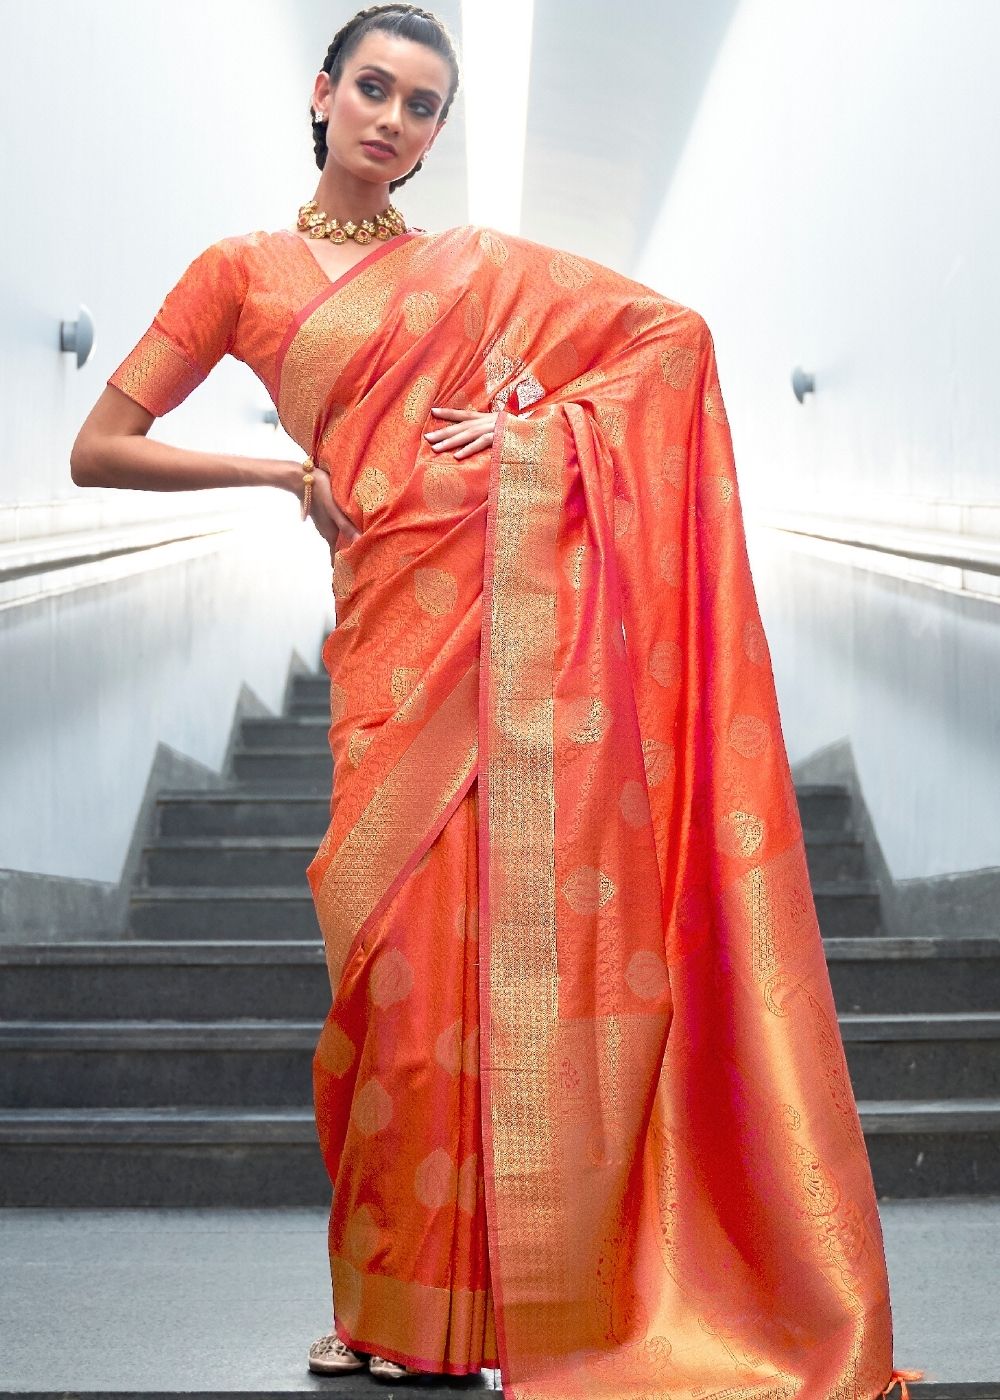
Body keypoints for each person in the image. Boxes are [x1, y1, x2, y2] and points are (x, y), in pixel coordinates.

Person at [71, 5, 926, 1397]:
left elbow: (671, 341)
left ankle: (494, 1314)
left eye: (422, 106)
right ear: (323, 92)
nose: (392, 120)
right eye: (373, 89)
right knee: (396, 994)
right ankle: (394, 1308)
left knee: (485, 976)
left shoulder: (476, 271)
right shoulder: (237, 271)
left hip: (502, 639)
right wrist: (285, 473)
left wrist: (540, 431)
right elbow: (101, 446)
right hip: (385, 637)